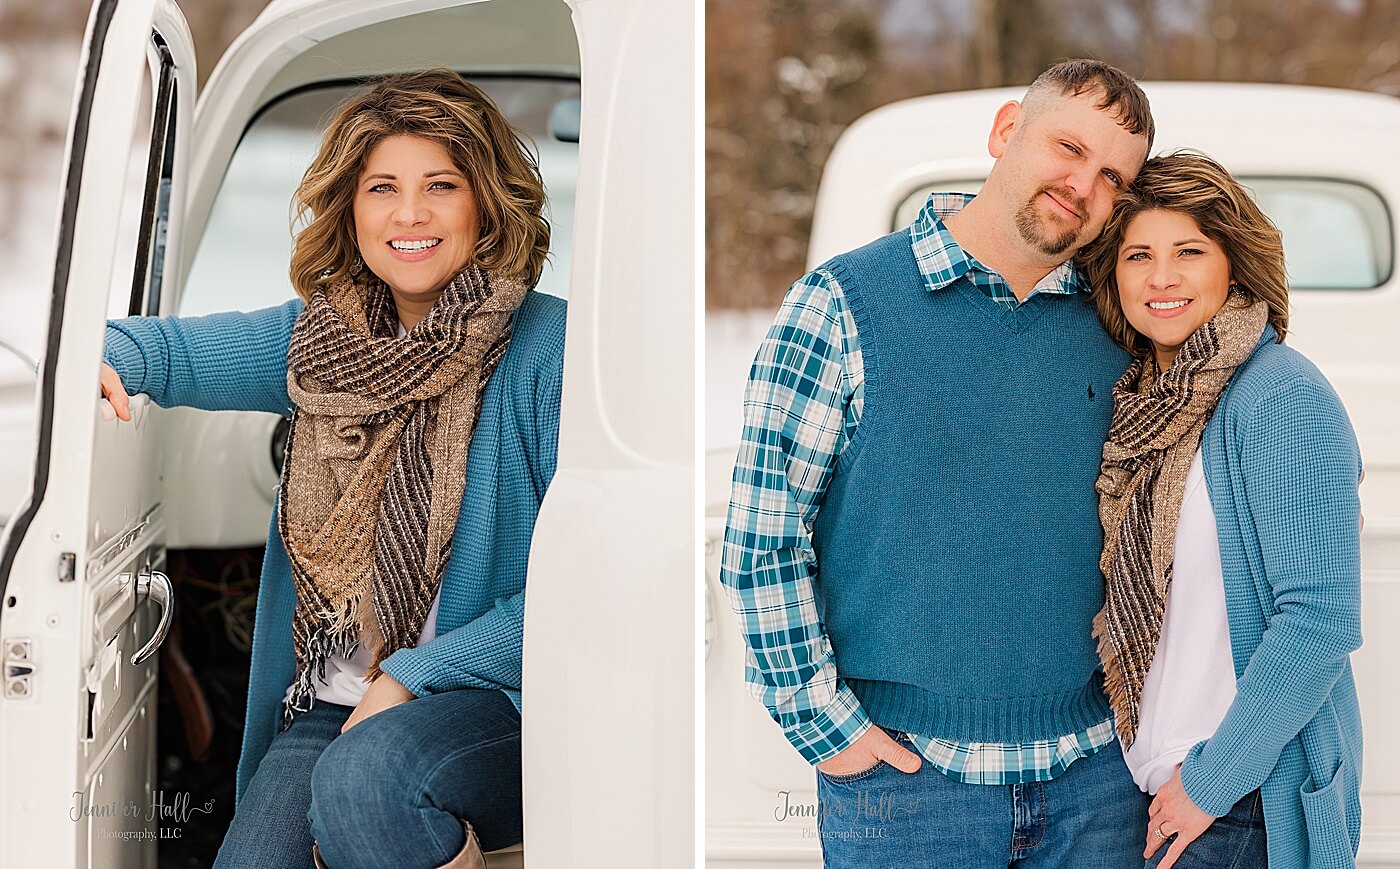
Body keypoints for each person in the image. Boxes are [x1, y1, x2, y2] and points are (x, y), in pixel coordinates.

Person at [99, 69, 565, 869]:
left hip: (500, 708)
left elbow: (578, 588)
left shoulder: (549, 351)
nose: (409, 214)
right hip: (337, 704)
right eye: (382, 186)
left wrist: (414, 674)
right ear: (350, 208)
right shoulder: (319, 343)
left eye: (440, 186)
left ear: (484, 203)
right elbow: (162, 352)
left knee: (365, 778)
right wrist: (101, 358)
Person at [721, 59, 1156, 866]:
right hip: (910, 785)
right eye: (1067, 146)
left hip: (1097, 779)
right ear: (1004, 132)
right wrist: (828, 729)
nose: (1082, 184)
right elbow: (763, 540)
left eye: (1111, 177)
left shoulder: (1118, 324)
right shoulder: (843, 302)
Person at [1077, 151, 1363, 869]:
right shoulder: (1144, 408)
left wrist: (1209, 784)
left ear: (1233, 266)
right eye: (1139, 254)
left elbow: (1319, 625)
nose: (1162, 277)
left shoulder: (1278, 397)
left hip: (1240, 803)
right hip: (1157, 791)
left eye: (1189, 252)